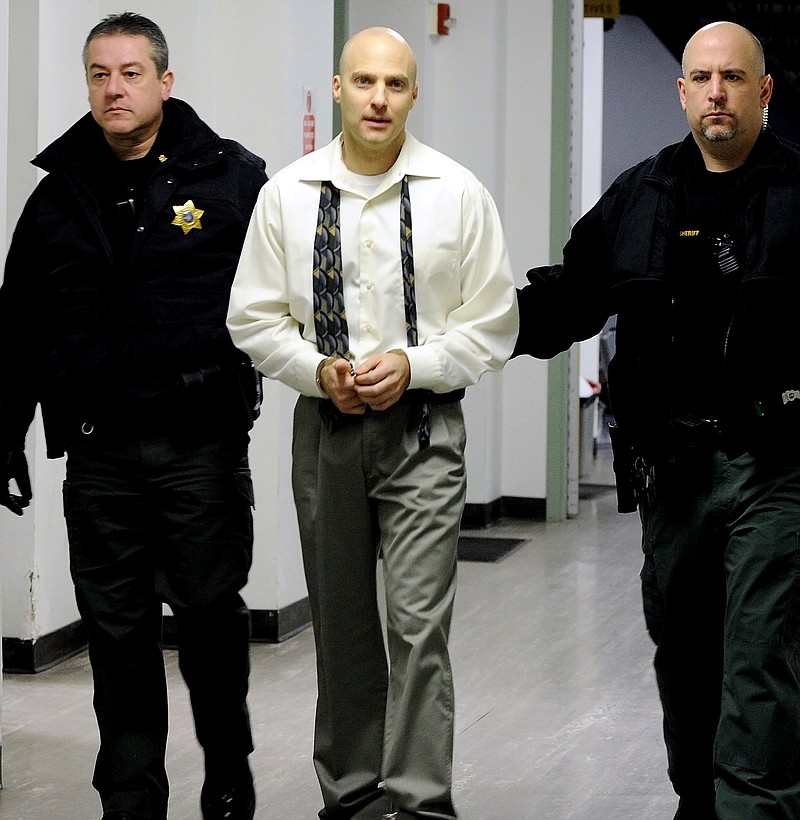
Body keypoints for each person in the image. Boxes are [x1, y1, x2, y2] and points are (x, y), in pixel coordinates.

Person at [227, 26, 518, 820]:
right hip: (326, 433)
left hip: (426, 433)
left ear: (414, 94)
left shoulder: (457, 193)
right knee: (344, 625)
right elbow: (251, 320)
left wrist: (416, 366)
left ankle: (422, 802)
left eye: (394, 84)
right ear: (338, 89)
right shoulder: (286, 195)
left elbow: (494, 322)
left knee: (419, 626)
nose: (379, 98)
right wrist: (317, 371)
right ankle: (352, 794)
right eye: (364, 82)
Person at [515, 19, 800, 820]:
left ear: (763, 91)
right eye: (702, 78)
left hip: (773, 464)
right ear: (682, 93)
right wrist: (471, 336)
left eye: (734, 78)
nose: (717, 92)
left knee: (762, 655)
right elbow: (569, 295)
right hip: (672, 467)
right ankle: (700, 798)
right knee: (684, 655)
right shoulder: (641, 195)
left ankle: (757, 805)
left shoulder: (796, 194)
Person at [0, 12, 268, 820]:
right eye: (97, 74)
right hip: (99, 455)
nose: (112, 89)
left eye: (128, 72)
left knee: (211, 624)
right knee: (116, 638)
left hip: (200, 447)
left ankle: (228, 772)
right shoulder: (57, 199)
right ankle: (130, 798)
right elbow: (18, 327)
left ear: (164, 81)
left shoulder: (231, 180)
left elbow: (279, 300)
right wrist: (4, 434)